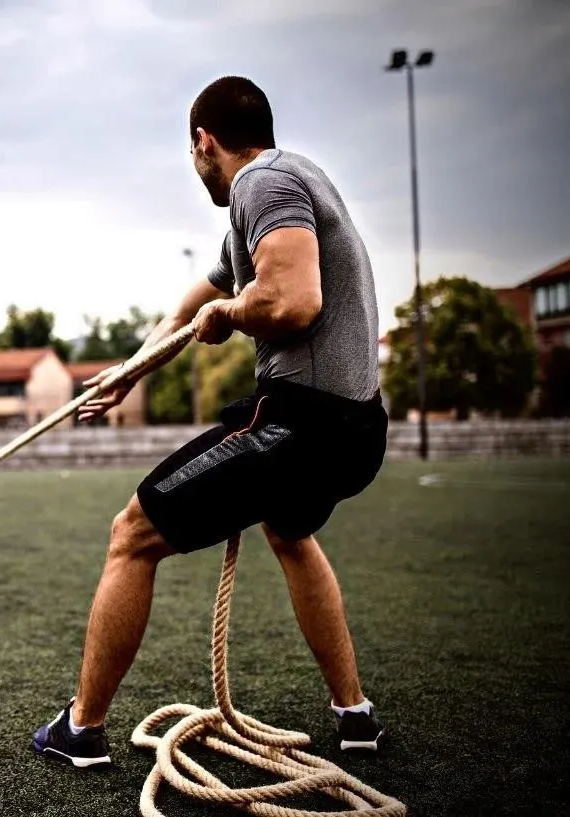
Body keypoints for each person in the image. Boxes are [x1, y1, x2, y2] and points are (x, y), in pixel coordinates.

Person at [32, 76, 390, 769]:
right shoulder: (286, 188)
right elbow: (183, 313)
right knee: (289, 531)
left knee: (132, 532)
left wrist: (230, 315)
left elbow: (293, 301)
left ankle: (82, 730)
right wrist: (126, 374)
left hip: (302, 423)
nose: (196, 168)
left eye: (191, 154)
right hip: (356, 428)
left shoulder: (265, 183)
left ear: (203, 141)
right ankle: (357, 715)